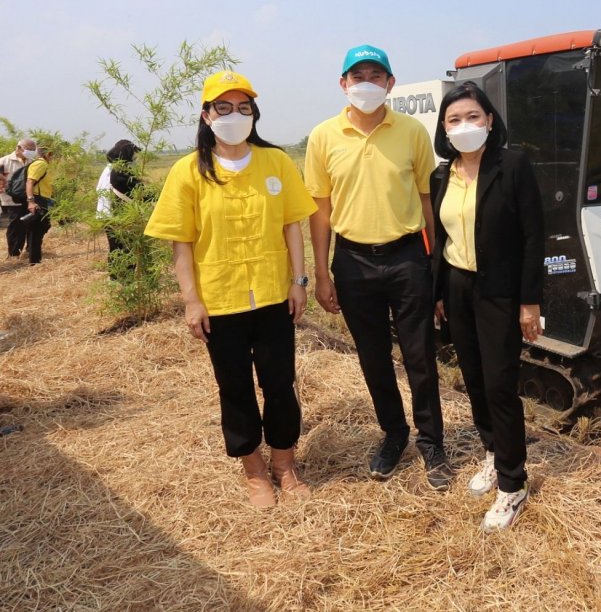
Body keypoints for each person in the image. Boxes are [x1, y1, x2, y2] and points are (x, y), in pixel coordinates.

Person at [145, 71, 317, 508]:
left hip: (274, 296)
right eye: (223, 107)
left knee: (280, 382)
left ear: (254, 115)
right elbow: (180, 242)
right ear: (206, 115)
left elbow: (291, 226)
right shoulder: (187, 171)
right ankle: (255, 472)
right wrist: (191, 300)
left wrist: (299, 282)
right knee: (235, 387)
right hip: (221, 301)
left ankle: (285, 464)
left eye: (244, 108)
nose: (234, 115)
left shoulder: (276, 162)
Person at [304, 44, 453, 490]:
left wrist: (435, 264)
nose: (366, 83)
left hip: (408, 256)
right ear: (343, 84)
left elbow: (428, 200)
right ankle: (393, 435)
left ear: (390, 83)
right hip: (352, 261)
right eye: (357, 76)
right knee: (373, 358)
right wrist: (323, 273)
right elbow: (321, 210)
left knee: (420, 356)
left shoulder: (410, 131)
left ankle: (432, 443)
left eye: (375, 75)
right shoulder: (323, 137)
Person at [430, 81, 544, 530]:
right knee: (474, 380)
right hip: (458, 287)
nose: (465, 126)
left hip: (500, 290)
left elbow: (534, 236)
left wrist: (530, 302)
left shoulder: (512, 165)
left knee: (500, 384)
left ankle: (513, 486)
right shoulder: (443, 174)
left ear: (490, 120)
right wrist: (439, 292)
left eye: (473, 117)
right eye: (454, 119)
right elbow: (442, 240)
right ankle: (493, 454)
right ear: (444, 127)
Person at [96, 139, 142, 278]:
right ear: (127, 154)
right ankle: (123, 278)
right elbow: (138, 191)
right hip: (117, 216)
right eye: (134, 154)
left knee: (115, 247)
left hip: (108, 215)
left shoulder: (109, 168)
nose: (135, 157)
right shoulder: (120, 171)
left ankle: (116, 278)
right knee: (124, 248)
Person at [0, 138, 37, 257]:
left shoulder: (31, 161)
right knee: (15, 225)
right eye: (28, 149)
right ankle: (14, 253)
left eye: (32, 150)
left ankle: (28, 250)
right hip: (11, 199)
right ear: (18, 148)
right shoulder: (4, 161)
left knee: (29, 223)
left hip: (28, 198)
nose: (30, 152)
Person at [24, 142, 55, 265]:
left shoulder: (44, 164)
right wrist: (31, 202)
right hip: (38, 199)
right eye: (52, 155)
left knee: (43, 227)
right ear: (48, 154)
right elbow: (30, 182)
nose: (53, 158)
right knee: (36, 230)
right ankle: (34, 261)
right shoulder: (40, 164)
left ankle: (35, 258)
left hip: (44, 199)